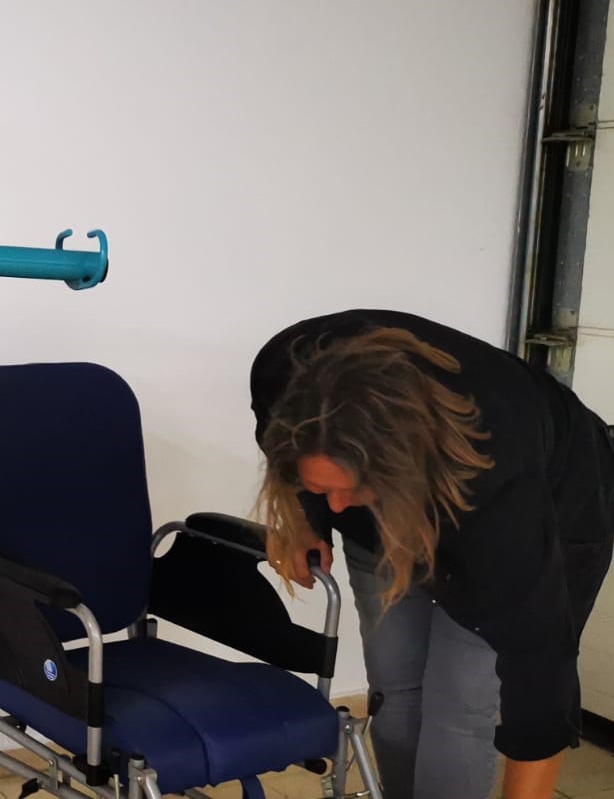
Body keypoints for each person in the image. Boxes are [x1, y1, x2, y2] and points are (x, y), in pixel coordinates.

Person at [249, 308, 614, 799]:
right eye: (323, 488)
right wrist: (304, 516)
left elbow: (540, 679)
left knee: (460, 703)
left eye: (348, 490)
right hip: (394, 499)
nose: (335, 505)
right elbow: (292, 456)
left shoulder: (497, 489)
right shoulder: (281, 372)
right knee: (395, 687)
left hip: (541, 498)